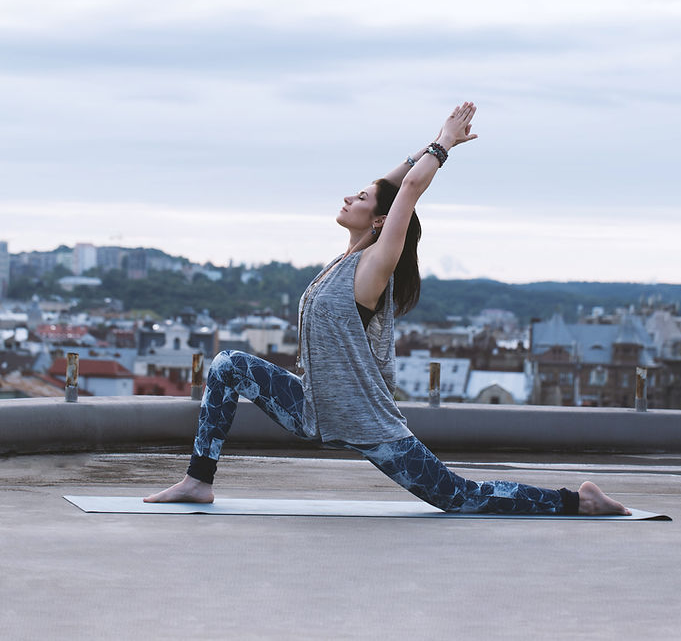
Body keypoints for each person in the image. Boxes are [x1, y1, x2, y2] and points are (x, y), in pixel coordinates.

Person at [145, 102, 630, 516]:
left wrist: (443, 145)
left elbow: (409, 191)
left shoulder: (376, 264)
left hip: (365, 421)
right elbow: (395, 182)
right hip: (314, 408)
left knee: (458, 497)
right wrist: (430, 144)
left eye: (358, 197)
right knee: (228, 365)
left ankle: (578, 500)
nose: (347, 196)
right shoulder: (346, 259)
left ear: (379, 220)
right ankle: (198, 481)